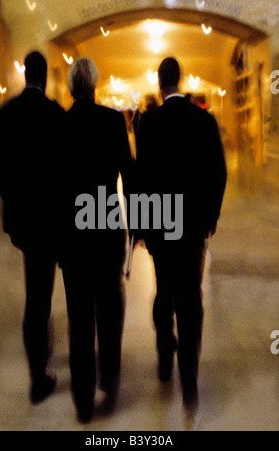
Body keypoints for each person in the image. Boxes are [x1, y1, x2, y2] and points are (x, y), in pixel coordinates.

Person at [136, 57, 227, 417]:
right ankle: (189, 377)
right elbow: (217, 173)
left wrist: (142, 226)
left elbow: (139, 178)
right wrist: (210, 218)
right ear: (181, 81)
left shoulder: (148, 123)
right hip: (191, 230)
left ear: (160, 85)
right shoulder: (203, 121)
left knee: (164, 290)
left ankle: (163, 354)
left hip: (160, 225)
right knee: (191, 298)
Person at [0, 51, 65, 405]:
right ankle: (43, 370)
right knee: (46, 295)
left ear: (24, 76)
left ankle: (39, 365)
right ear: (44, 78)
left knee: (36, 293)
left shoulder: (4, 116)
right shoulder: (57, 116)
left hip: (24, 219)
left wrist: (12, 193)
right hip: (53, 219)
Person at [56, 57, 133, 423]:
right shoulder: (113, 121)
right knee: (109, 307)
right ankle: (110, 376)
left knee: (79, 316)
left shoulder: (60, 126)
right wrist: (137, 227)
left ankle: (83, 400)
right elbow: (130, 179)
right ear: (96, 85)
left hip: (72, 237)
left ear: (72, 88)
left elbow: (51, 190)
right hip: (105, 230)